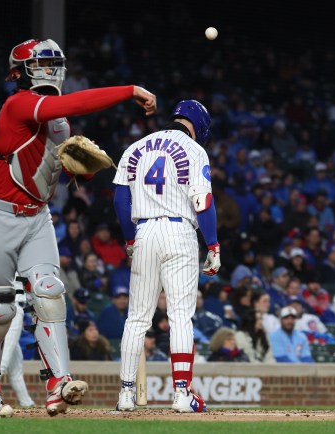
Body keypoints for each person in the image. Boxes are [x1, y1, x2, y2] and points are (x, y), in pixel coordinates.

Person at [0, 38, 157, 418]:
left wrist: (78, 172)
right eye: (44, 61)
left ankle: (59, 384)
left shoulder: (58, 122)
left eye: (55, 60)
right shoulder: (19, 103)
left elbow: (58, 169)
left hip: (37, 215)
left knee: (50, 292)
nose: (51, 67)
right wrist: (130, 90)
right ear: (22, 71)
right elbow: (68, 103)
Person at [113, 100, 218, 413]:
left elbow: (120, 200)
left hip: (144, 231)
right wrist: (213, 244)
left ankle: (126, 395)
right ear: (197, 125)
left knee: (136, 319)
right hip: (179, 231)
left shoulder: (135, 147)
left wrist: (130, 239)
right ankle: (182, 394)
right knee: (180, 317)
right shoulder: (194, 149)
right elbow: (203, 201)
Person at [0, 282, 36, 407]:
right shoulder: (17, 263)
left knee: (15, 367)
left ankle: (27, 403)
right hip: (12, 307)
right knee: (3, 361)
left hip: (3, 306)